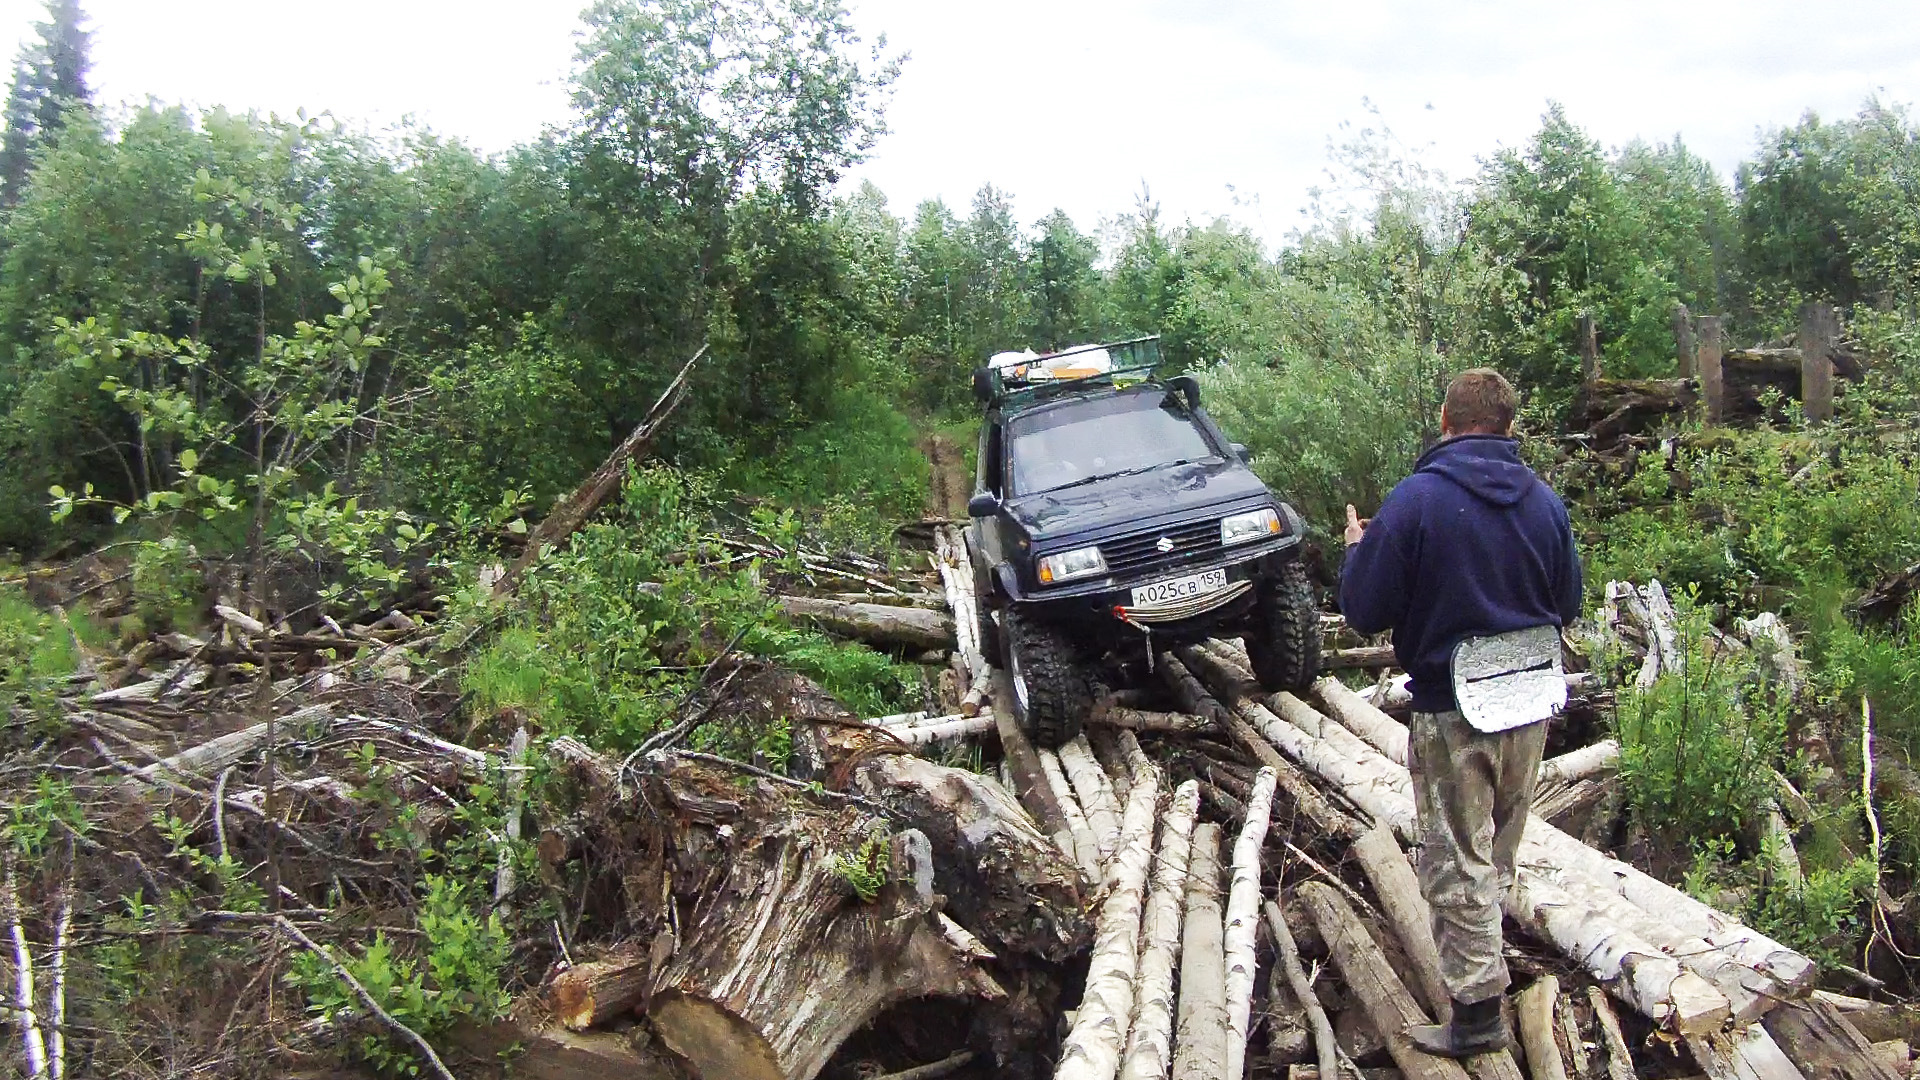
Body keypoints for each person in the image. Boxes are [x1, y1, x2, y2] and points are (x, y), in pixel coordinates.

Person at [1338, 368, 1583, 1058]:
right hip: (1531, 702)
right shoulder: (1544, 503)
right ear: (1509, 427)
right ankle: (1486, 969)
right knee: (1495, 850)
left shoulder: (1414, 502)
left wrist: (1357, 549)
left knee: (1455, 860)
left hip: (1454, 707)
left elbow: (1363, 611)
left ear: (1446, 422)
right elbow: (1566, 604)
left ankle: (1477, 1019)